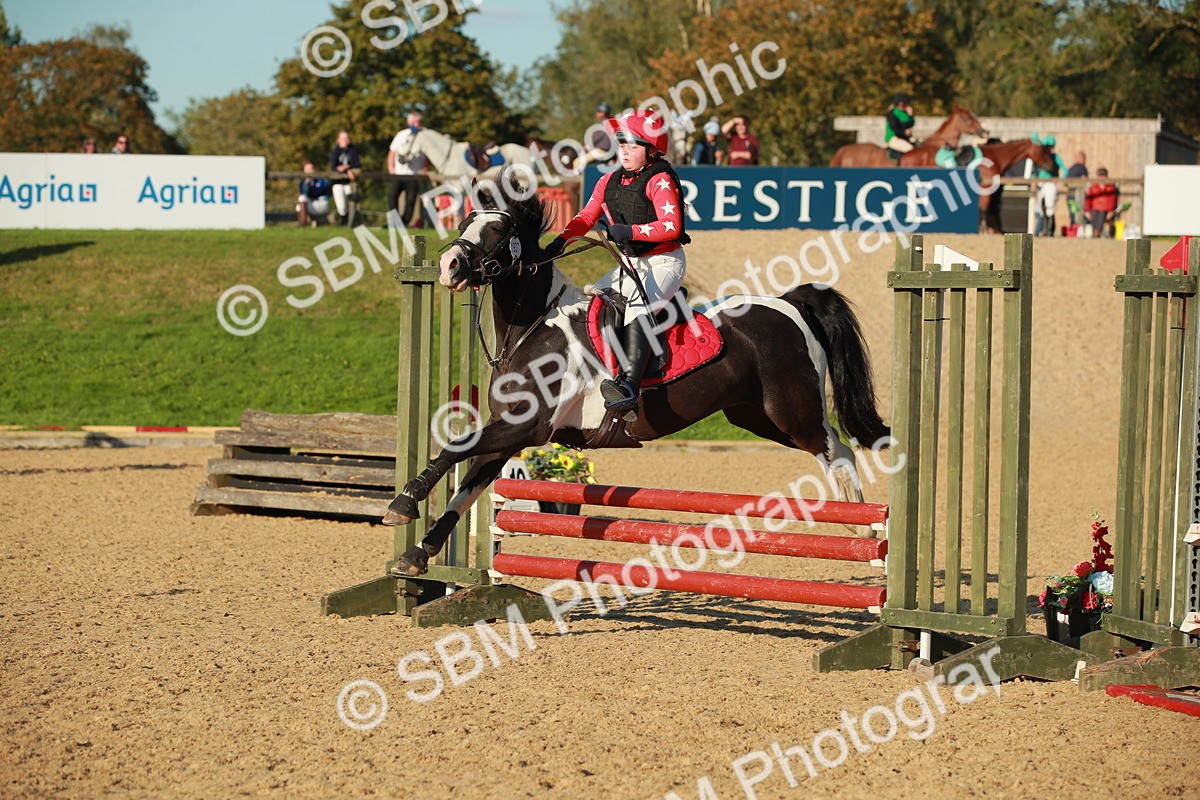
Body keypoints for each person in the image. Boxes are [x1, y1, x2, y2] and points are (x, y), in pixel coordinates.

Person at [542, 109, 691, 415]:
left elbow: (672, 226)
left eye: (633, 145)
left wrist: (630, 231)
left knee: (638, 304)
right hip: (632, 263)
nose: (624, 149)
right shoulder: (608, 180)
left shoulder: (660, 180)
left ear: (651, 151)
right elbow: (586, 216)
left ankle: (627, 387)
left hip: (664, 261)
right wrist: (560, 241)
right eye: (622, 142)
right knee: (591, 296)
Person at [387, 112, 429, 228]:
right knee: (392, 196)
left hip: (414, 174)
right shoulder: (401, 135)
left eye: (418, 122)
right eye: (414, 122)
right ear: (409, 122)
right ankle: (394, 221)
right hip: (399, 173)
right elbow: (392, 152)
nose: (416, 124)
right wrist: (391, 168)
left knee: (410, 200)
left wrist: (425, 168)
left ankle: (404, 223)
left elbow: (428, 155)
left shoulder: (424, 137)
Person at [1031, 133, 1066, 236]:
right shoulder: (1040, 157)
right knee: (1041, 208)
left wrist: (1060, 181)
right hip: (1041, 184)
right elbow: (1035, 171)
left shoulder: (1055, 158)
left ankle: (1049, 231)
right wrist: (1034, 181)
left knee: (1049, 207)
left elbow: (1065, 170)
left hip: (1050, 183)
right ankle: (1044, 230)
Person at [328, 130, 362, 226]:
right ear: (338, 140)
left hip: (349, 182)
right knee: (341, 207)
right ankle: (342, 222)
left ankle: (350, 223)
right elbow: (334, 167)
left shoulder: (353, 150)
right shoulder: (335, 151)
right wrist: (346, 170)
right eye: (343, 138)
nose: (345, 140)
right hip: (338, 182)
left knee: (352, 204)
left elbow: (357, 164)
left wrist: (347, 169)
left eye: (347, 138)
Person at [574, 102, 618, 171]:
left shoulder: (603, 124)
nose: (596, 113)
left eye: (598, 112)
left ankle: (581, 181)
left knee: (577, 162)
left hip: (602, 151)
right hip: (614, 152)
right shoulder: (614, 121)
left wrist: (586, 147)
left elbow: (599, 140)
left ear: (602, 113)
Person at [1084, 168, 1120, 238]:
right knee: (1094, 214)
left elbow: (1112, 201)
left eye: (1103, 175)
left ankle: (1096, 232)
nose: (1102, 177)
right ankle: (1095, 232)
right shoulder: (1093, 187)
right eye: (1100, 175)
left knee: (1102, 214)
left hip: (1105, 209)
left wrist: (1111, 211)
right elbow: (1088, 200)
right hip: (1094, 208)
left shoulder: (1111, 187)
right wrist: (1087, 210)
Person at [296, 162, 332, 227]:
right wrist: (307, 183)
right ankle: (303, 224)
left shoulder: (322, 180)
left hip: (320, 202)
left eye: (312, 168)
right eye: (308, 169)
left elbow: (325, 192)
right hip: (309, 204)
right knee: (300, 203)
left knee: (302, 204)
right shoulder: (302, 182)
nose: (311, 170)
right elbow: (304, 194)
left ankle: (309, 222)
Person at [1065, 151, 1088, 227]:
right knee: (1079, 214)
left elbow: (1066, 183)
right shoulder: (1082, 167)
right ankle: (1077, 230)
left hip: (1069, 194)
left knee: (1072, 214)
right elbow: (1084, 180)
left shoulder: (1071, 168)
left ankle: (1072, 229)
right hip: (1078, 195)